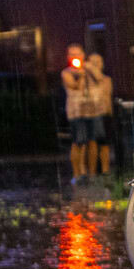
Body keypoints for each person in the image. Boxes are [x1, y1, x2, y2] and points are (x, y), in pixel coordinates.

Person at [79, 52, 114, 178]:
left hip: (104, 115)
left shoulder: (106, 80)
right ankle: (91, 172)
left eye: (98, 63)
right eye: (93, 63)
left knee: (104, 144)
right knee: (91, 143)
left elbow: (106, 95)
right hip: (90, 116)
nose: (96, 66)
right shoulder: (84, 82)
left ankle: (105, 170)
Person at [59, 43, 89, 182]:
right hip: (74, 112)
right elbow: (75, 86)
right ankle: (76, 173)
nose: (75, 57)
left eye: (77, 54)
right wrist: (81, 76)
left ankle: (83, 169)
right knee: (77, 141)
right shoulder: (66, 73)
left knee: (84, 142)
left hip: (87, 111)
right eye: (72, 54)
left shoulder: (87, 70)